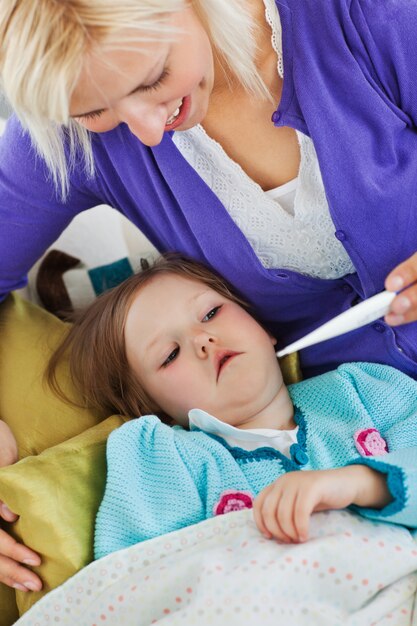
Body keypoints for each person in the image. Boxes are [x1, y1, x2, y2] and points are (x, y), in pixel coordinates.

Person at [1, 0, 417, 592]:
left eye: (153, 78)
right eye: (94, 111)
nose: (144, 130)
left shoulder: (367, 17)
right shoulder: (64, 127)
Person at [44, 255, 417, 559]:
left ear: (264, 328)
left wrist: (363, 483)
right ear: (154, 409)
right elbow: (133, 582)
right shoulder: (168, 460)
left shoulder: (362, 392)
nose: (203, 339)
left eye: (210, 314)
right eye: (170, 355)